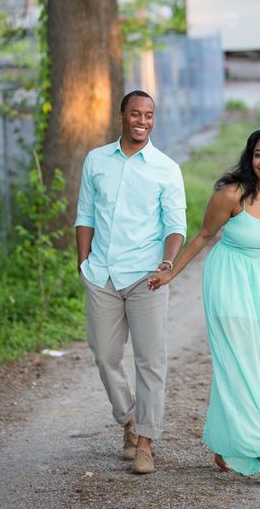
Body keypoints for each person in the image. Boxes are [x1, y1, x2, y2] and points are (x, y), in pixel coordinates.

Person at [148, 128, 260, 488]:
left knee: (254, 370)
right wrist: (170, 274)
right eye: (258, 154)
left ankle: (224, 443)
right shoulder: (232, 195)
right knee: (243, 369)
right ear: (249, 158)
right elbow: (204, 236)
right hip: (229, 284)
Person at [75, 90, 186, 474]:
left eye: (149, 115)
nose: (142, 120)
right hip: (102, 274)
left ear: (154, 120)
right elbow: (85, 213)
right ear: (121, 115)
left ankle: (146, 443)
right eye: (136, 113)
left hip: (146, 276)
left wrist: (167, 262)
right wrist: (83, 262)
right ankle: (128, 419)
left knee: (150, 360)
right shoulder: (96, 160)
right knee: (105, 355)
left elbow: (176, 226)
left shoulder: (166, 168)